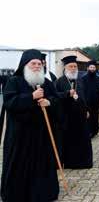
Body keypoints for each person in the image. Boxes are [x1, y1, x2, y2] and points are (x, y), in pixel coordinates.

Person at [0, 49, 60, 202]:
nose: (36, 66)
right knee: (20, 165)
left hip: (41, 135)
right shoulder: (14, 81)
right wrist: (31, 97)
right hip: (20, 135)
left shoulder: (46, 83)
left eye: (39, 64)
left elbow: (57, 99)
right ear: (25, 64)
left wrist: (49, 102)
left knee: (41, 164)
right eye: (33, 63)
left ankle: (42, 193)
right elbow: (9, 102)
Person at [56, 55, 93, 169]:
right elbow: (55, 97)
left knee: (82, 139)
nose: (73, 68)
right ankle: (69, 163)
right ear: (65, 68)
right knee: (68, 140)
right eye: (70, 66)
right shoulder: (59, 82)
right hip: (67, 116)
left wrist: (87, 109)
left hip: (80, 116)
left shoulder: (80, 81)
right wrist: (67, 94)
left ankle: (83, 163)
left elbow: (84, 97)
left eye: (75, 66)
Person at [81, 60, 99, 138]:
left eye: (94, 67)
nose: (92, 69)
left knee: (95, 117)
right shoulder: (84, 78)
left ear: (95, 68)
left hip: (96, 102)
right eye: (91, 67)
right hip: (87, 102)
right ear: (88, 68)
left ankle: (95, 130)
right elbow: (82, 91)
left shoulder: (98, 79)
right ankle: (89, 132)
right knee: (88, 117)